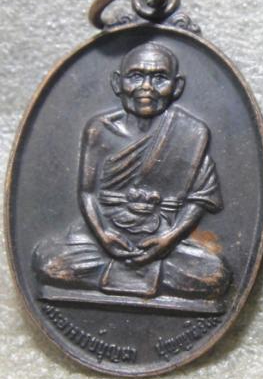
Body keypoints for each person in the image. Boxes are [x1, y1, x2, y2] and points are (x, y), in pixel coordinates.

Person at [33, 42, 231, 299]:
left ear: (177, 87)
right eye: (136, 76)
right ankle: (130, 271)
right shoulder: (100, 129)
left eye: (159, 78)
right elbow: (87, 193)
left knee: (215, 275)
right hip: (101, 238)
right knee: (48, 261)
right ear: (118, 83)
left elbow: (200, 198)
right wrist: (103, 236)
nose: (146, 87)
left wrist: (168, 240)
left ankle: (134, 271)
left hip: (166, 241)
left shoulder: (192, 132)